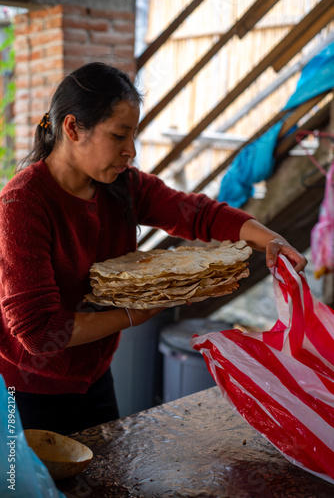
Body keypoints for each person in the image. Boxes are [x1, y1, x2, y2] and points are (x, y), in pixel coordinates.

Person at [0, 62, 307, 435]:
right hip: (29, 394)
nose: (130, 150)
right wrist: (135, 315)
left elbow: (197, 214)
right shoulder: (23, 204)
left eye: (134, 135)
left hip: (94, 380)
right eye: (119, 135)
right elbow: (37, 331)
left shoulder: (121, 186)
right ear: (72, 128)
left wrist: (269, 240)